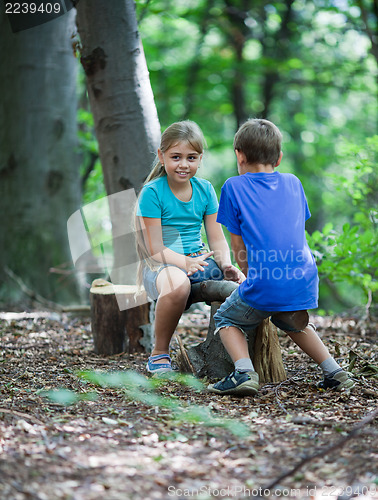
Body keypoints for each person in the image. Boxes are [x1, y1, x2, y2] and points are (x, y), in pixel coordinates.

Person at [207, 118, 355, 396]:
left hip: (267, 281)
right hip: (304, 278)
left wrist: (251, 277)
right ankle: (334, 372)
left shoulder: (233, 187)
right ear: (279, 157)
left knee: (227, 318)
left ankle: (243, 373)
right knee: (292, 320)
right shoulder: (294, 183)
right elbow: (291, 230)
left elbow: (238, 247)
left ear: (239, 154)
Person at [135, 120, 244, 374]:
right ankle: (159, 354)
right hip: (163, 266)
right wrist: (184, 263)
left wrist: (227, 265)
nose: (184, 164)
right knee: (178, 283)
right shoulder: (153, 192)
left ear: (200, 158)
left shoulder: (205, 190)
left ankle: (241, 362)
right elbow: (154, 247)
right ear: (161, 157)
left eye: (191, 157)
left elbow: (216, 238)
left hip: (200, 262)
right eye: (176, 157)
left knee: (244, 287)